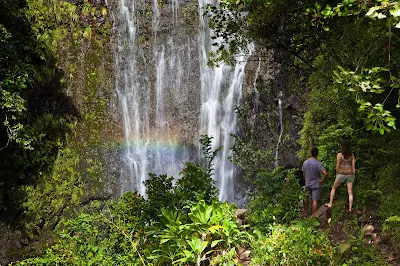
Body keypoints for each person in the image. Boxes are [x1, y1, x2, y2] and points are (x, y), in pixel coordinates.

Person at [326, 139, 355, 212]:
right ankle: (350, 209)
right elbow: (353, 166)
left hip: (341, 174)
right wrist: (353, 174)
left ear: (341, 146)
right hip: (350, 175)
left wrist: (337, 174)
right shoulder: (351, 155)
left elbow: (338, 166)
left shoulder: (339, 155)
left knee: (333, 188)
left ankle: (330, 203)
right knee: (350, 192)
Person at [302, 147, 328, 215]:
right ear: (317, 154)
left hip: (307, 182)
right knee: (315, 200)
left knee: (305, 197)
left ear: (311, 153)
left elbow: (304, 172)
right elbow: (325, 173)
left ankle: (305, 212)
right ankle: (313, 216)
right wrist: (321, 180)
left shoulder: (305, 162)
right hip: (316, 184)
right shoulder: (318, 163)